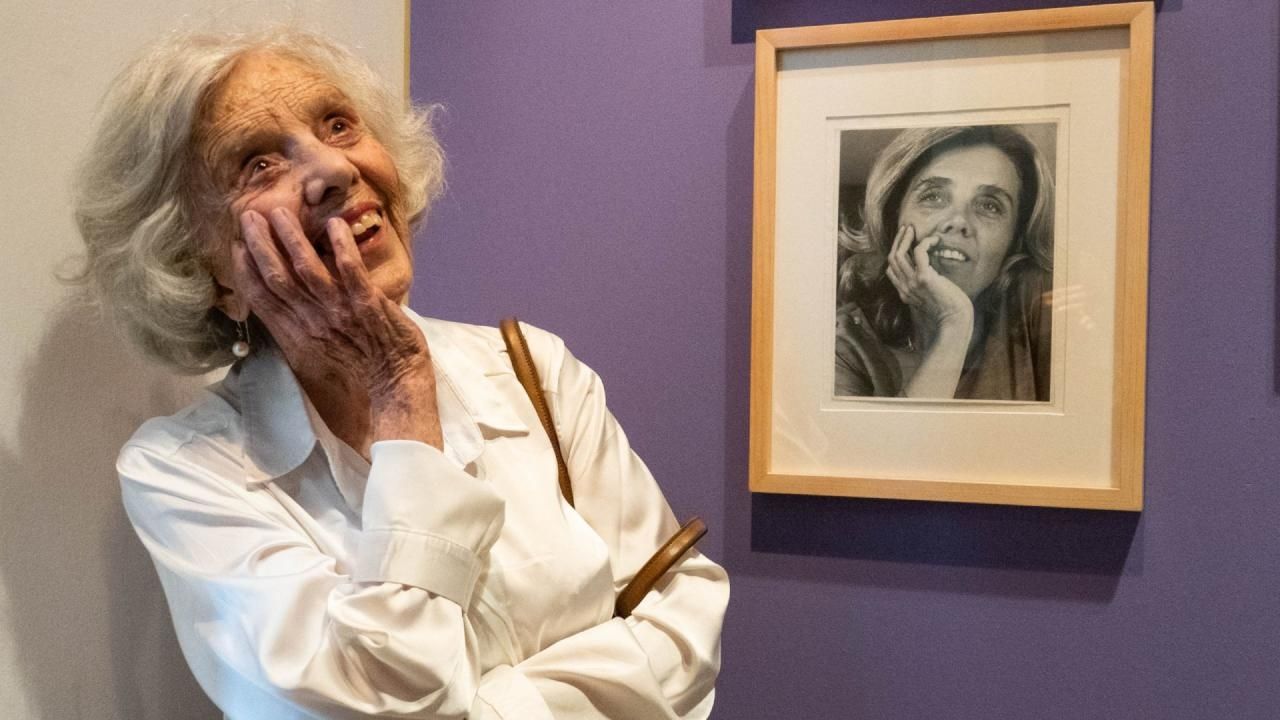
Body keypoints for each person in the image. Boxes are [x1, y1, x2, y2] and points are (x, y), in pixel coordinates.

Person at [73, 29, 727, 720]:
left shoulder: (533, 368)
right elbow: (381, 695)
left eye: (338, 124)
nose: (333, 167)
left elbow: (682, 628)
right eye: (258, 165)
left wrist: (481, 708)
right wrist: (400, 391)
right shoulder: (184, 473)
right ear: (200, 268)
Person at [834, 125, 1056, 401]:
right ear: (893, 217)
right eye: (934, 196)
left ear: (1015, 239)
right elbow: (898, 444)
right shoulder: (844, 346)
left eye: (989, 205)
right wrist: (953, 325)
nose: (959, 221)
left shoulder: (1038, 317)